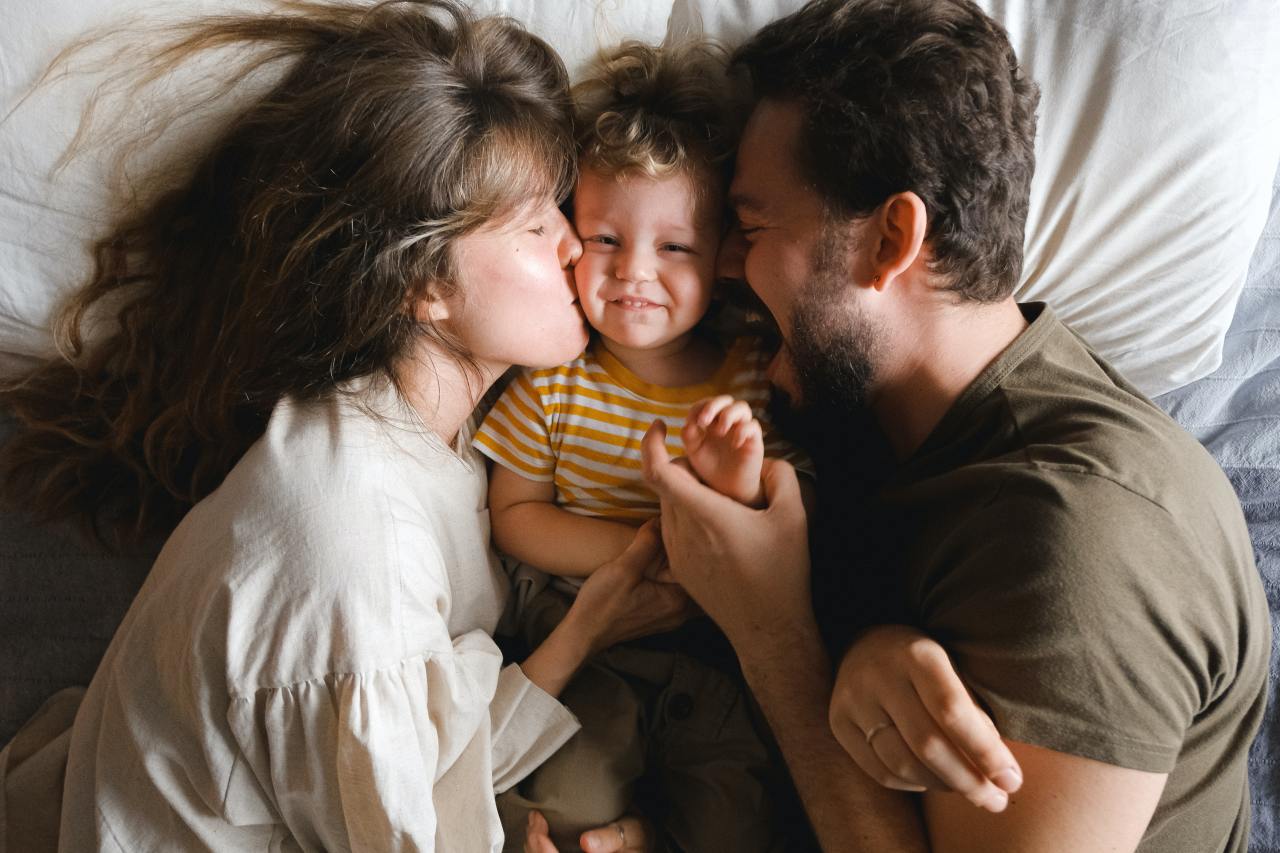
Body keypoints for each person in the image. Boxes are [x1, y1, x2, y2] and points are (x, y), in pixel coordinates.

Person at [0, 3, 697, 849]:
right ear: (425, 287)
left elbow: (425, 734)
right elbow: (399, 813)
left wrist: (589, 626)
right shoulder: (353, 550)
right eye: (534, 221)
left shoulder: (426, 433)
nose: (574, 248)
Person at [600, 0, 1268, 851]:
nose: (727, 262)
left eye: (756, 225)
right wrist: (865, 653)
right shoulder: (880, 415)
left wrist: (776, 638)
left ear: (891, 240)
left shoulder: (1084, 541)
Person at [474, 40, 809, 852]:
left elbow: (781, 521)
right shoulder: (555, 380)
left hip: (715, 659)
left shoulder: (752, 379)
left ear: (725, 258)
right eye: (605, 239)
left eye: (674, 247)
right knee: (556, 808)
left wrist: (732, 482)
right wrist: (640, 548)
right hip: (590, 655)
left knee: (738, 821)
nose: (633, 273)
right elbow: (515, 514)